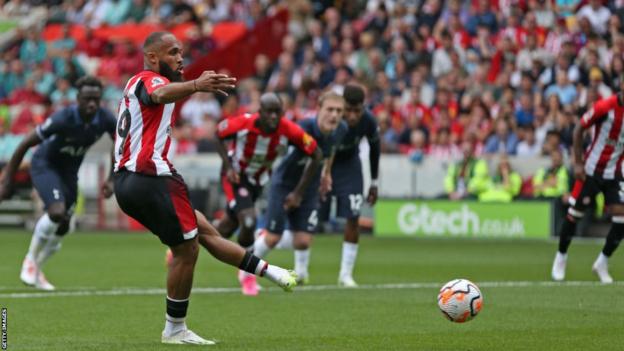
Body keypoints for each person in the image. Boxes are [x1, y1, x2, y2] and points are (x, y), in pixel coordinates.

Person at [112, 31, 297, 345]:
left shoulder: (138, 85)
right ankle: (174, 329)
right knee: (188, 249)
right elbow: (159, 94)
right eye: (172, 52)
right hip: (150, 177)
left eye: (181, 52)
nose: (180, 58)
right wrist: (196, 85)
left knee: (204, 231)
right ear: (153, 57)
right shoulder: (147, 80)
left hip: (128, 182)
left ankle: (270, 272)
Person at [0, 76, 116, 291]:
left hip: (70, 172)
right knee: (56, 212)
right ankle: (30, 260)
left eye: (96, 99)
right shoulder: (63, 118)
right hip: (46, 165)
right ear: (78, 98)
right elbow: (26, 143)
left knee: (64, 226)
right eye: (87, 99)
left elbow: (120, 142)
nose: (92, 104)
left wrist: (111, 178)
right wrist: (8, 179)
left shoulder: (105, 118)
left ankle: (37, 269)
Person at [210, 92, 322, 295]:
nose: (272, 117)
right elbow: (218, 134)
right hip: (236, 177)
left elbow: (316, 153)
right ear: (259, 112)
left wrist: (298, 192)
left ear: (282, 113)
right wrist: (228, 167)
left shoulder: (288, 129)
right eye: (268, 112)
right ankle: (247, 275)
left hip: (258, 181)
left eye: (277, 112)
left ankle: (189, 242)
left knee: (228, 225)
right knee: (249, 221)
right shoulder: (243, 123)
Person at [253, 91, 348, 285]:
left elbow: (330, 151)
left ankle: (301, 274)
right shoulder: (301, 128)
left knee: (303, 240)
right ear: (318, 110)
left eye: (339, 111)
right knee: (272, 237)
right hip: (284, 183)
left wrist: (327, 173)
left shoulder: (341, 129)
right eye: (330, 109)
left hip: (310, 185)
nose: (334, 115)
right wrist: (294, 193)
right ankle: (247, 269)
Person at [551, 91, 624, 284]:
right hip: (590, 170)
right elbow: (578, 129)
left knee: (621, 217)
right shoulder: (604, 107)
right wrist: (578, 163)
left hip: (614, 173)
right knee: (575, 213)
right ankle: (561, 256)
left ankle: (602, 262)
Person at [317, 84, 380, 287]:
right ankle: (300, 269)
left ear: (363, 107)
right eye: (348, 110)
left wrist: (374, 183)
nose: (352, 116)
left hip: (350, 166)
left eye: (357, 111)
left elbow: (374, 149)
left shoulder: (369, 121)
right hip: (326, 164)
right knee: (311, 218)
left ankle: (345, 274)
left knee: (353, 217)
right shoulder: (331, 118)